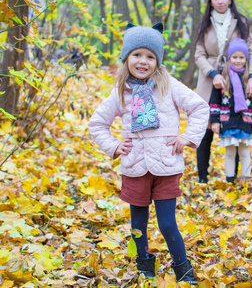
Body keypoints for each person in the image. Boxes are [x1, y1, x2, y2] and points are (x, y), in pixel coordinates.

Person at [88, 22, 209, 285]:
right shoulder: (121, 91)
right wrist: (113, 146)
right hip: (135, 166)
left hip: (166, 166)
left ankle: (183, 270)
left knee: (167, 223)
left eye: (150, 57)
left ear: (158, 61)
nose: (143, 61)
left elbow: (200, 108)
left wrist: (187, 137)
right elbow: (97, 123)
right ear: (126, 57)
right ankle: (145, 268)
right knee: (137, 226)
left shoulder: (169, 86)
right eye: (137, 55)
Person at [195, 0, 252, 183]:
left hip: (238, 79)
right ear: (211, 1)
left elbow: (251, 50)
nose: (220, 1)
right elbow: (198, 54)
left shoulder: (241, 22)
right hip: (210, 79)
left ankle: (235, 178)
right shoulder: (204, 24)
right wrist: (213, 73)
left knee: (237, 126)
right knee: (206, 128)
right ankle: (202, 178)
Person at [210, 38, 252, 183]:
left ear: (246, 59)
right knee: (229, 152)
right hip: (227, 121)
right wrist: (215, 121)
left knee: (244, 151)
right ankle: (229, 181)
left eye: (241, 57)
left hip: (245, 121)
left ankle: (246, 179)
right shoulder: (223, 78)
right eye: (234, 57)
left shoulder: (250, 79)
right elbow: (214, 102)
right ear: (229, 58)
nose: (238, 60)